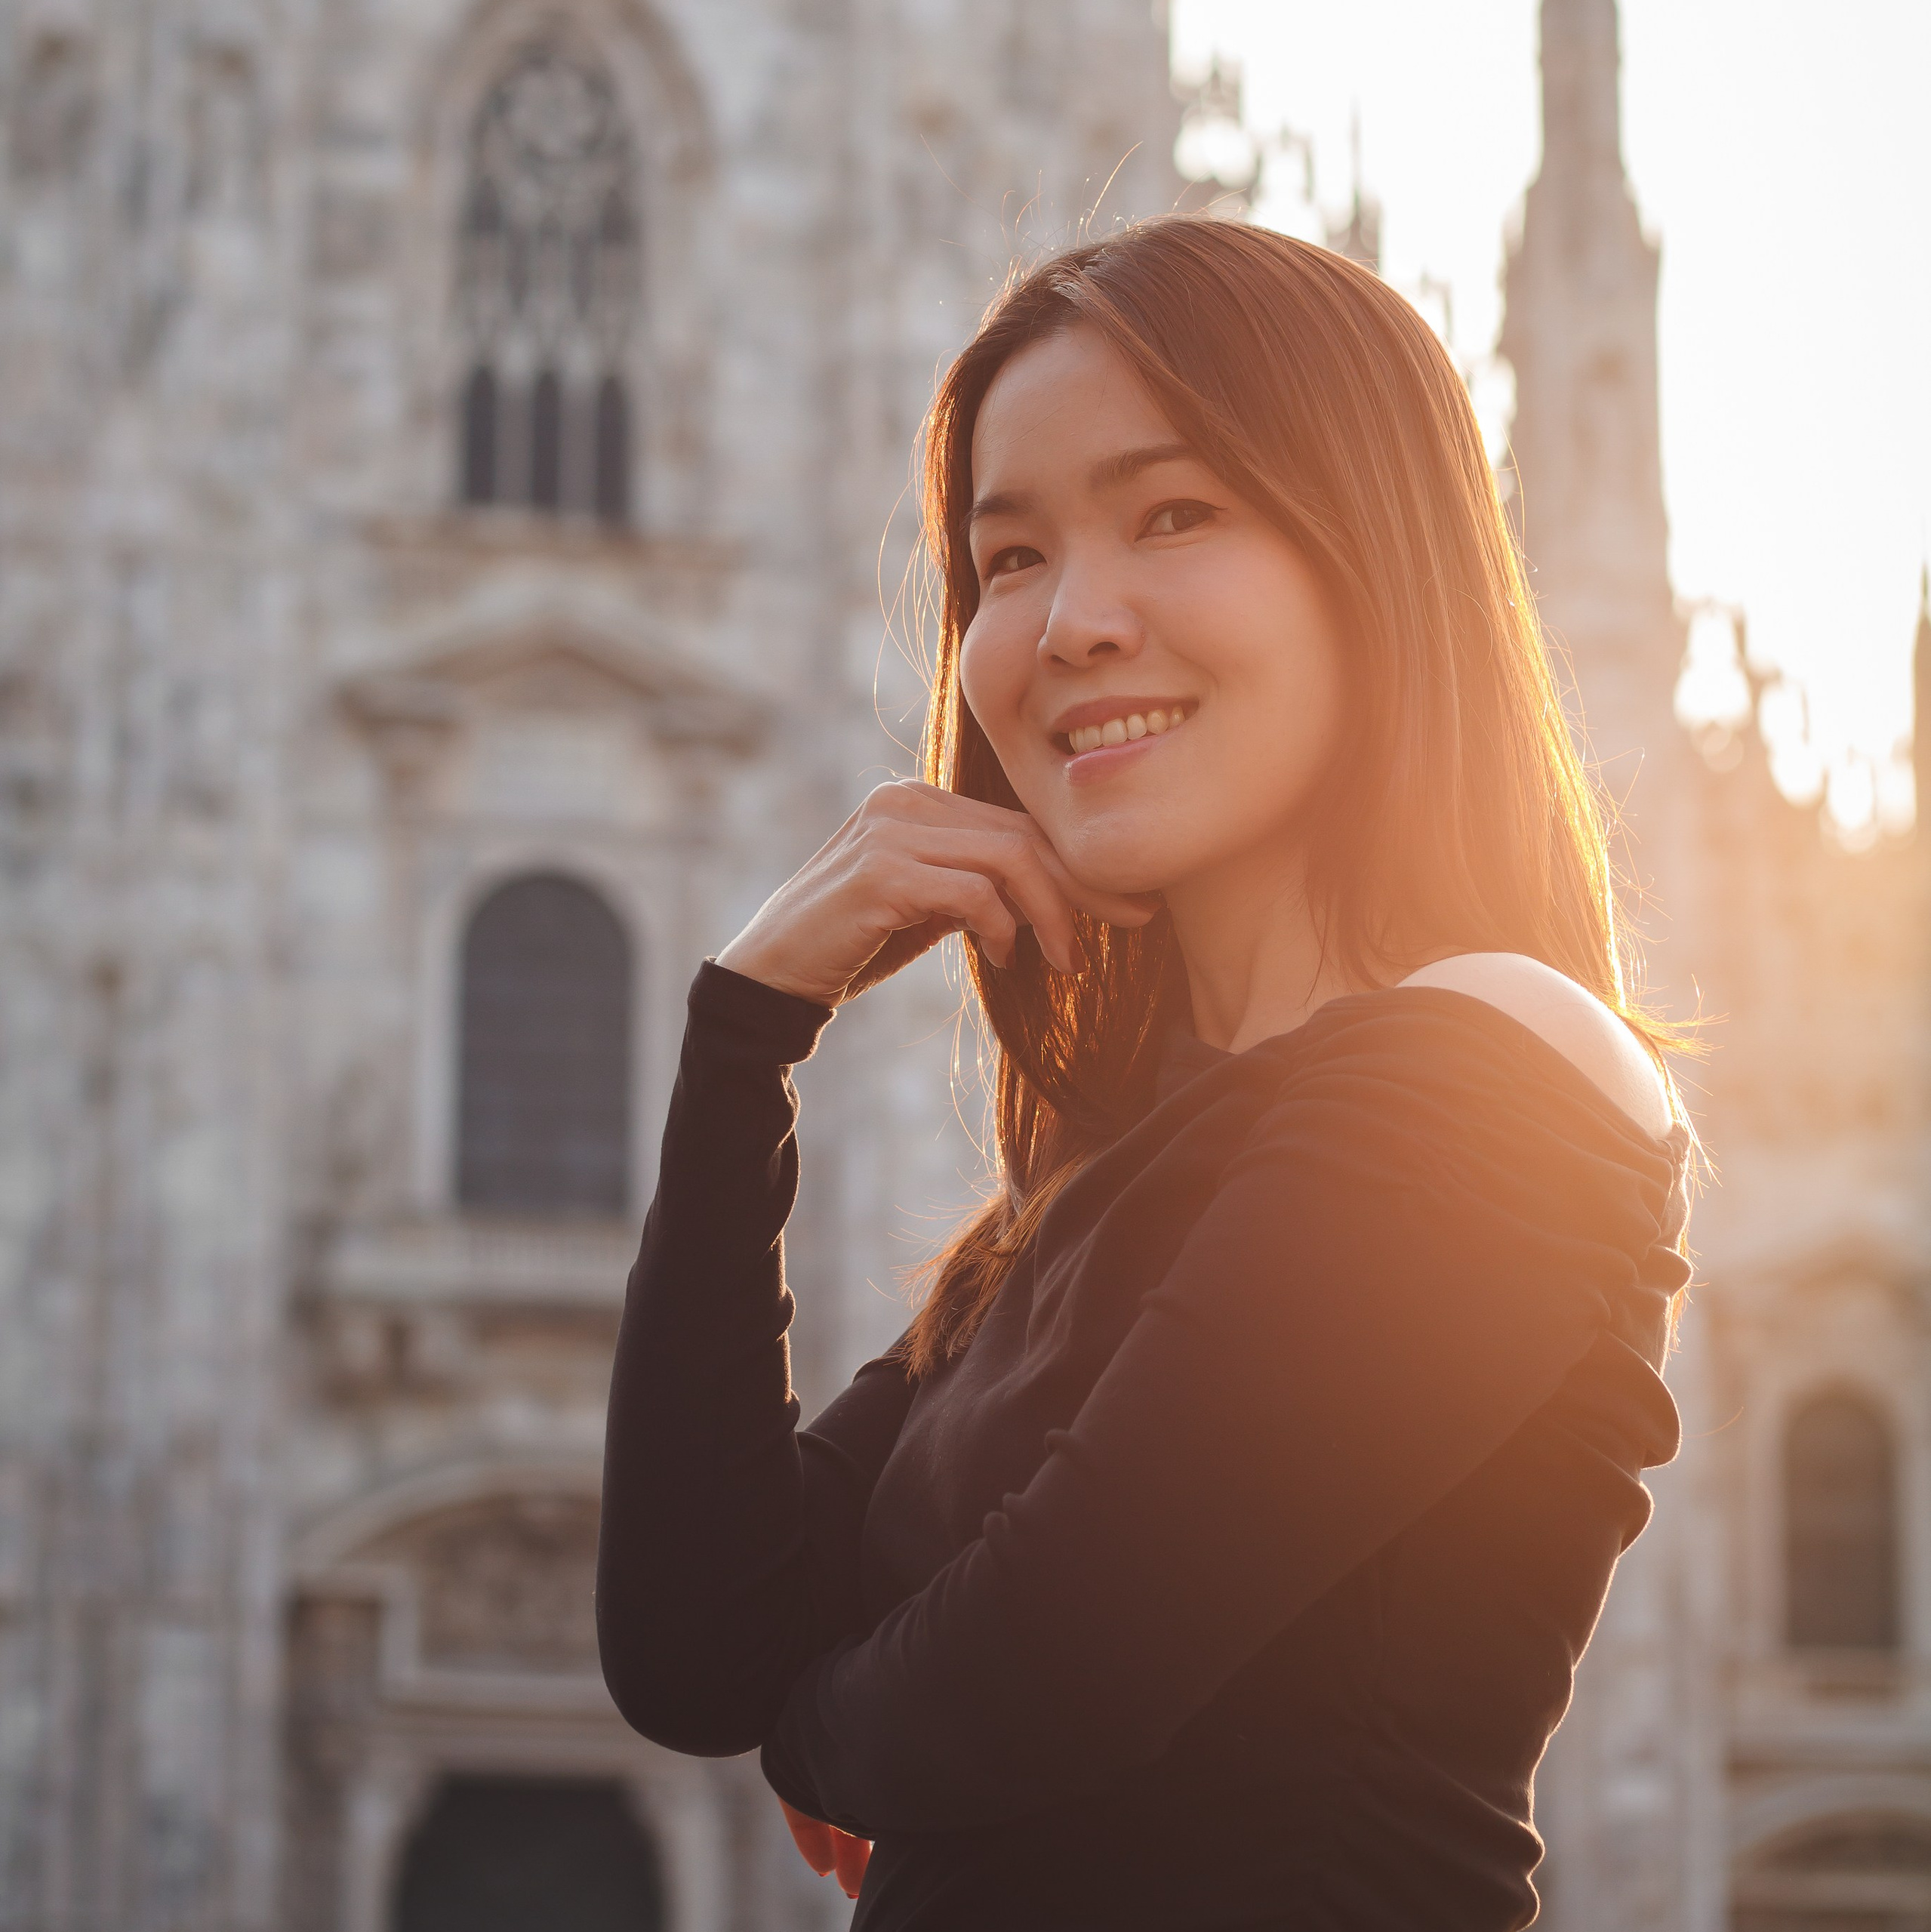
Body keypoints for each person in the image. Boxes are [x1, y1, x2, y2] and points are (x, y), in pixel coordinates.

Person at [595, 216, 1692, 1931]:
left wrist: (813, 1739)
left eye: (1174, 514)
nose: (1071, 622)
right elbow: (688, 1644)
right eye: (1007, 557)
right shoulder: (1091, 1196)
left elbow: (1037, 1670)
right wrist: (743, 1032)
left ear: (1371, 555)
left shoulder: (1502, 1068)